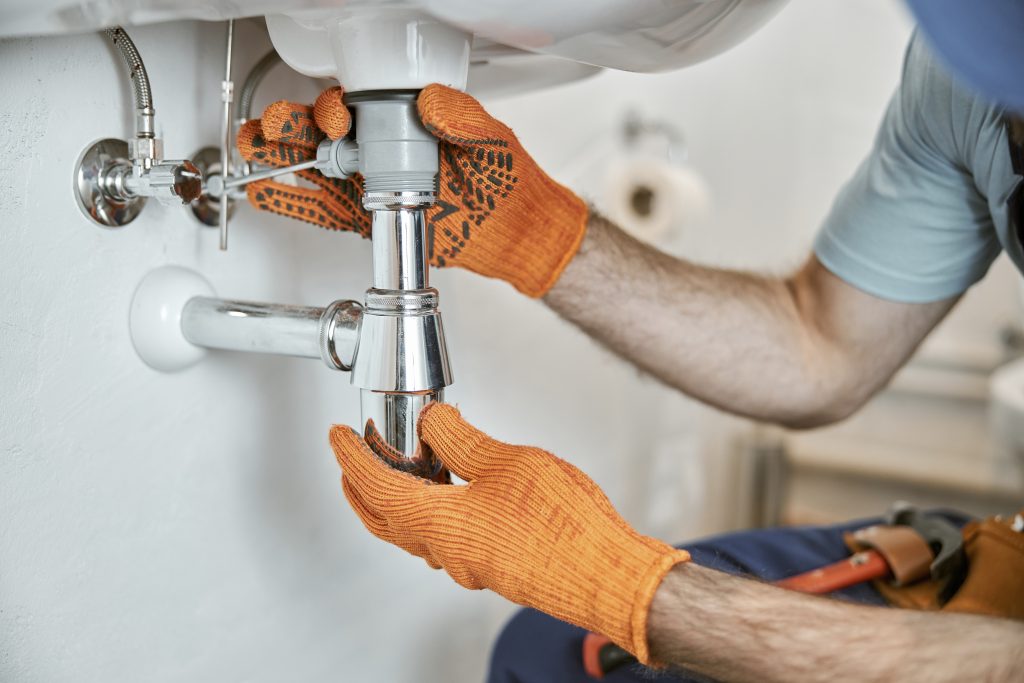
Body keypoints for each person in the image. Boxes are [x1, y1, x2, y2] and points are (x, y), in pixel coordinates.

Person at [235, 10, 1024, 682]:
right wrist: (536, 234)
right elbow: (822, 346)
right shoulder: (969, 73)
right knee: (544, 653)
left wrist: (637, 591)